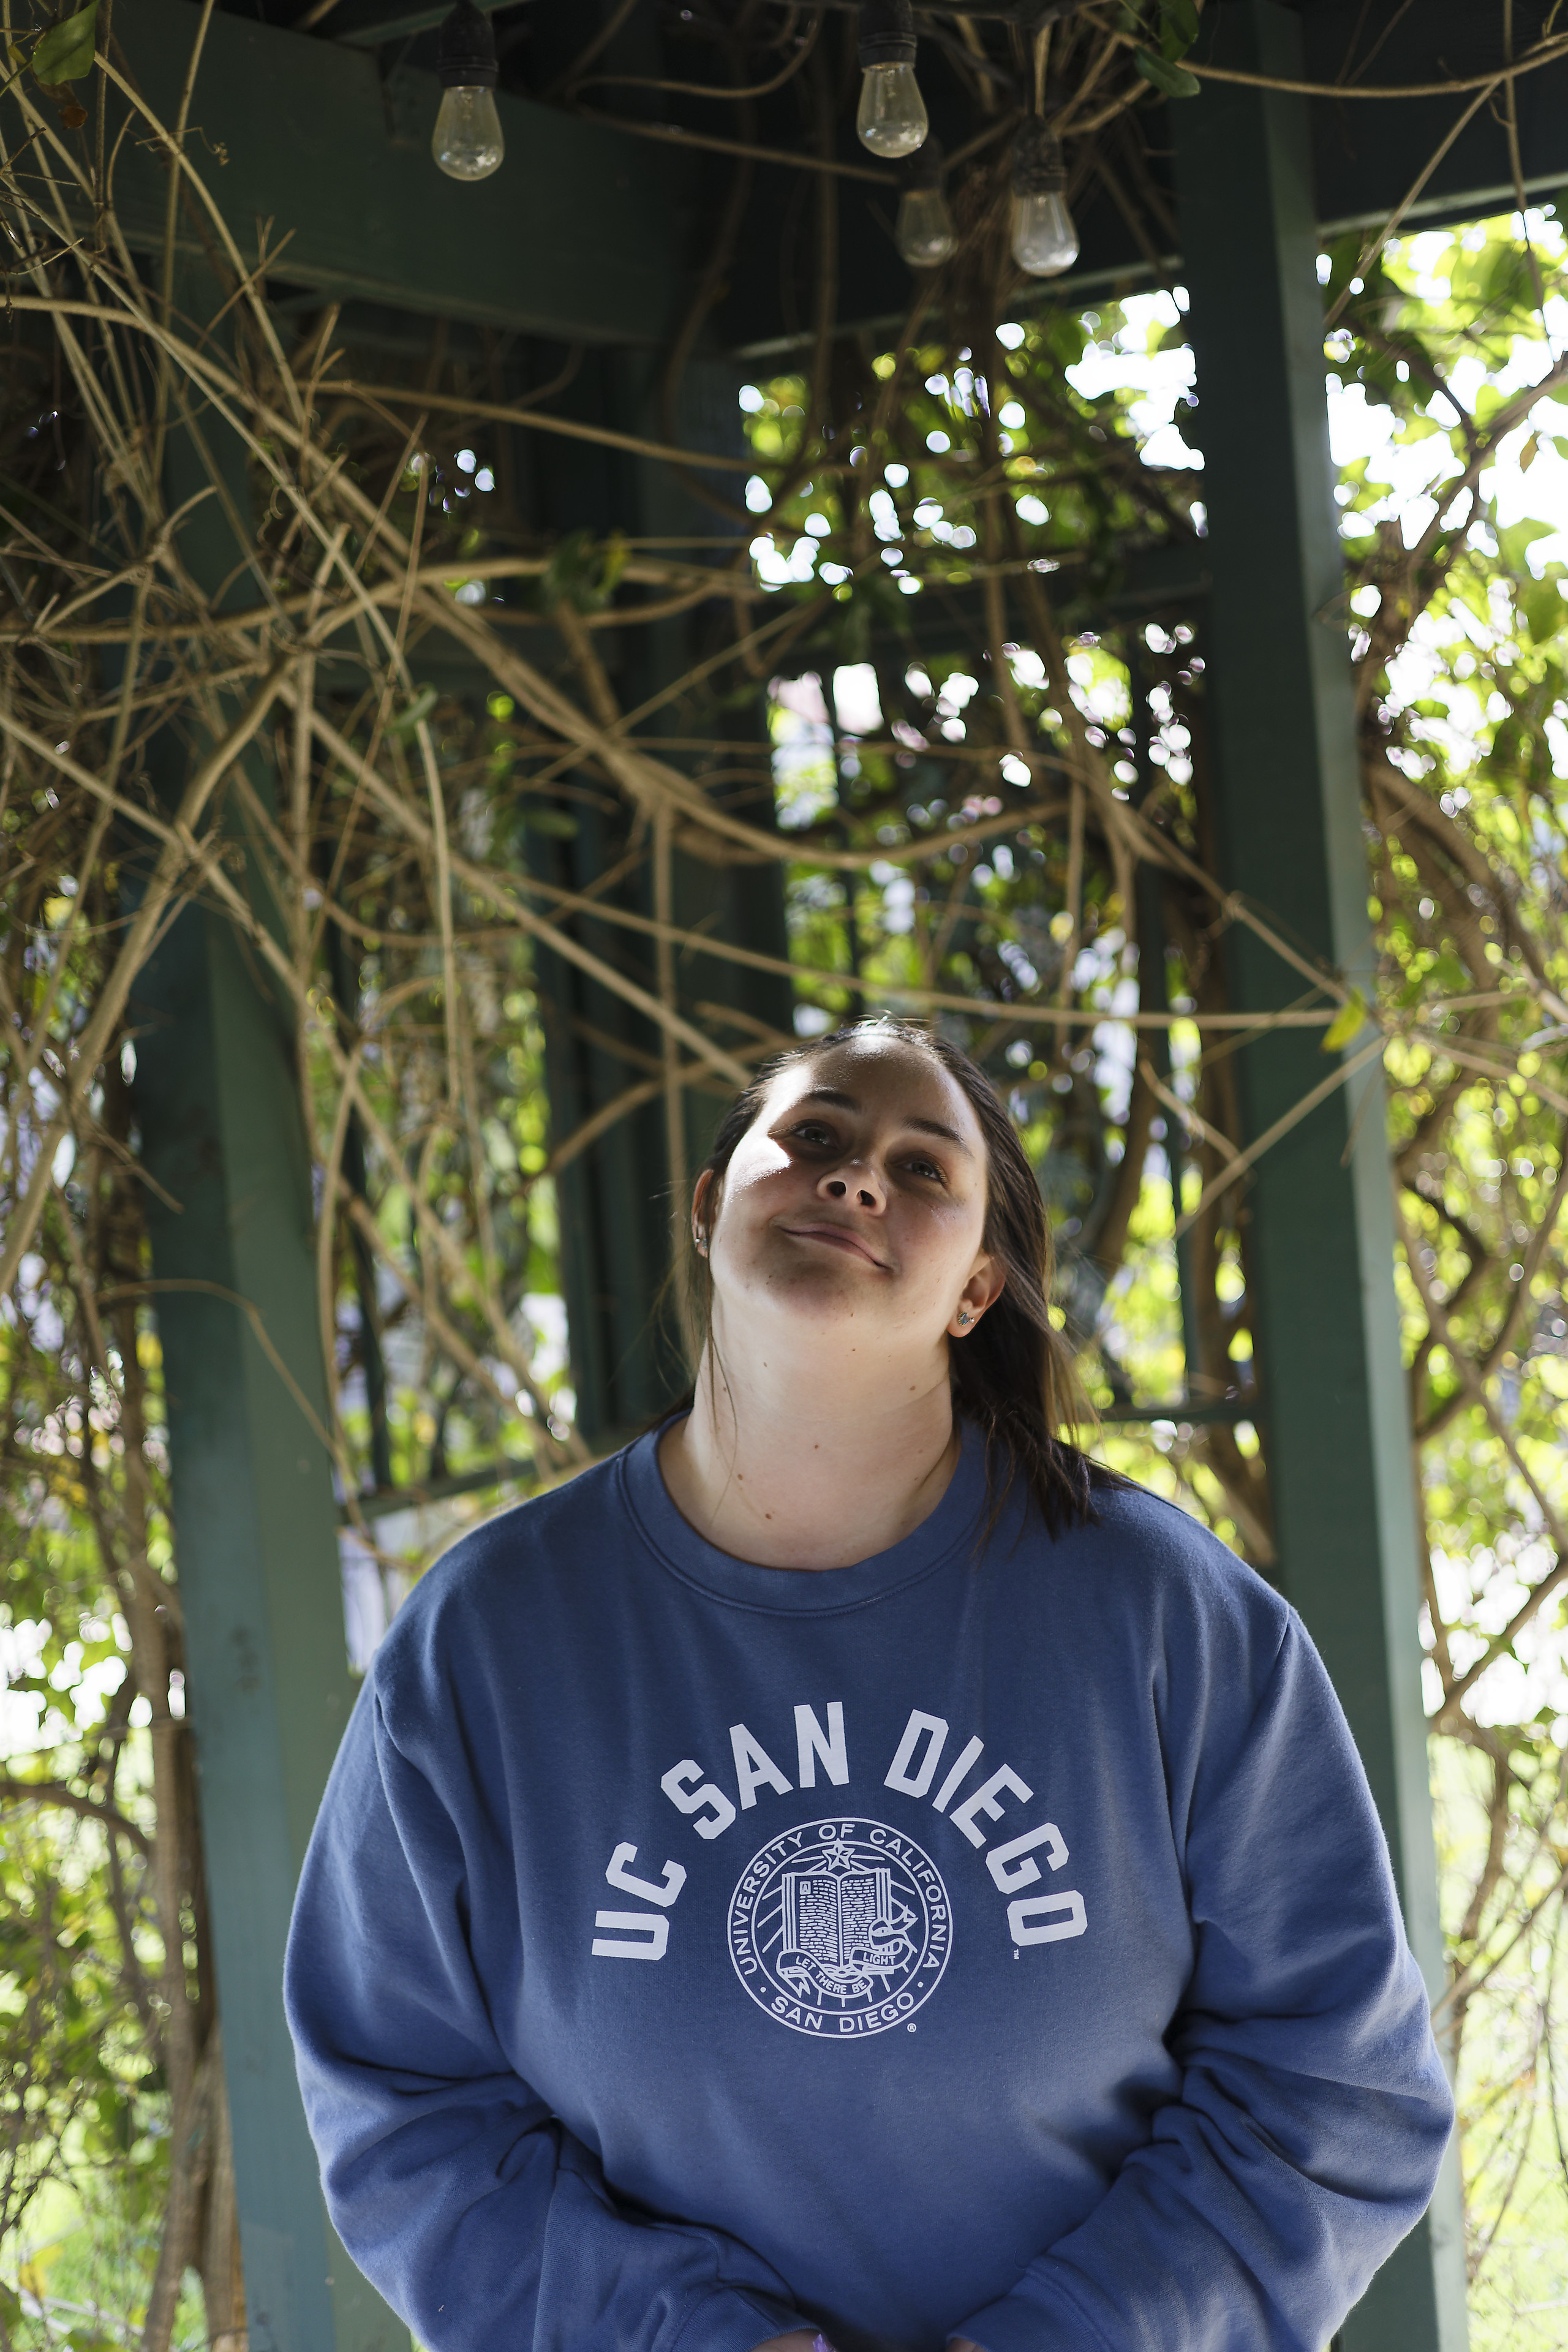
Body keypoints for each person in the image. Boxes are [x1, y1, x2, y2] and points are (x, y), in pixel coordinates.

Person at [285, 1019, 1455, 2352]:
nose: (854, 1177)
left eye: (921, 1168)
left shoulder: (1163, 1616)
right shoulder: (487, 1640)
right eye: (816, 1136)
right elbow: (399, 2101)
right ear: (708, 1206)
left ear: (976, 1289)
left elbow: (1335, 2090)